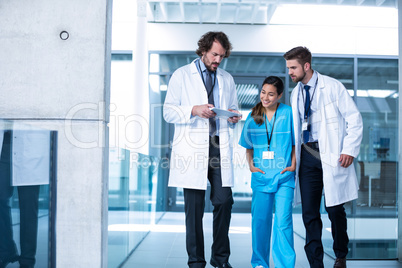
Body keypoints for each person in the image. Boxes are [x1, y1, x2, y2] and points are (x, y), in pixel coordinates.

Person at [163, 31, 241, 268]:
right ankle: (196, 261)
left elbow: (234, 108)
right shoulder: (181, 75)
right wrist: (194, 110)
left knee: (224, 201)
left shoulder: (226, 78)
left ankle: (220, 259)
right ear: (204, 50)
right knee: (194, 209)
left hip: (218, 144)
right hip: (193, 147)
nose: (218, 60)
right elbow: (168, 111)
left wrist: (233, 117)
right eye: (215, 54)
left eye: (222, 56)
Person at [283, 46, 363, 268]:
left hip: (332, 155)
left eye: (293, 67)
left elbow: (354, 118)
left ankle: (340, 255)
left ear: (306, 66)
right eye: (288, 67)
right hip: (307, 154)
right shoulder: (295, 92)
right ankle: (315, 262)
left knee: (335, 208)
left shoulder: (332, 86)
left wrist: (349, 149)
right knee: (309, 212)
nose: (289, 72)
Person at [239, 76, 296, 268]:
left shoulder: (288, 113)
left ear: (279, 95)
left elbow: (296, 143)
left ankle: (284, 265)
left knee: (283, 223)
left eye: (271, 94)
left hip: (284, 176)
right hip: (261, 176)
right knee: (260, 222)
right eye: (263, 92)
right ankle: (259, 263)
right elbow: (248, 146)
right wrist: (251, 166)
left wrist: (293, 164)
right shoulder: (253, 115)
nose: (266, 97)